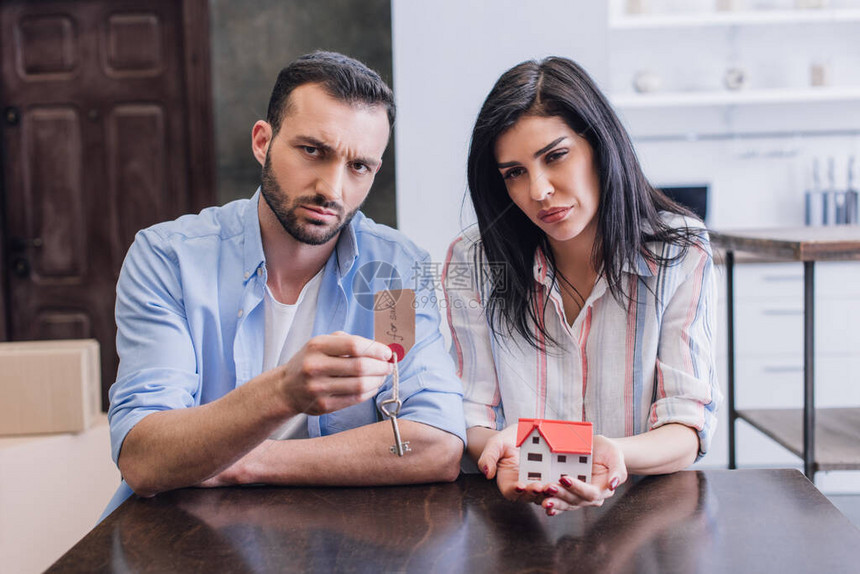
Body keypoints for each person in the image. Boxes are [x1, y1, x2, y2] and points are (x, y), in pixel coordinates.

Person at [102, 51, 465, 517]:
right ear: (262, 141)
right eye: (313, 151)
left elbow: (437, 443)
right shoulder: (169, 258)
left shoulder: (392, 270)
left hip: (343, 538)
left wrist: (243, 463)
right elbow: (144, 459)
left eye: (359, 167)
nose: (333, 190)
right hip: (185, 537)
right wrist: (280, 395)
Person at [442, 57, 720, 516]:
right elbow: (473, 415)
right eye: (514, 172)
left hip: (642, 517)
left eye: (555, 157)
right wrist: (506, 453)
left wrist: (609, 455)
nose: (539, 191)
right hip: (512, 521)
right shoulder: (472, 261)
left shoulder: (681, 250)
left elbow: (687, 424)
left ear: (599, 145)